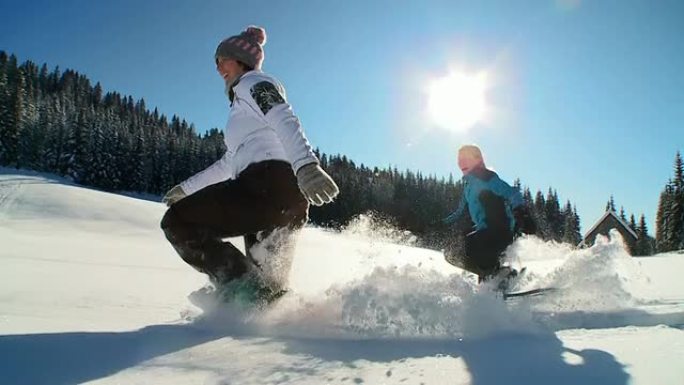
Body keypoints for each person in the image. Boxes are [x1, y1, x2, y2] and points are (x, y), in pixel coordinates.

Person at [160, 26, 339, 302]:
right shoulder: (243, 108)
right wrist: (186, 189)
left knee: (178, 222)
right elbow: (228, 163)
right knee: (269, 295)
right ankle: (287, 323)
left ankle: (243, 286)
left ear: (240, 59)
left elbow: (283, 116)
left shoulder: (253, 84)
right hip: (284, 199)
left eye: (222, 59)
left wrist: (306, 165)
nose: (218, 68)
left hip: (265, 187)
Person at [443, 144, 535, 285]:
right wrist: (440, 223)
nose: (461, 163)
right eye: (459, 159)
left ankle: (500, 275)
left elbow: (512, 193)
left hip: (498, 232)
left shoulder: (486, 178)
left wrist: (521, 213)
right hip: (484, 233)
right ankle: (491, 286)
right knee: (452, 251)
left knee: (456, 250)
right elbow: (460, 211)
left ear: (478, 160)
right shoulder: (469, 185)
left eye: (466, 158)